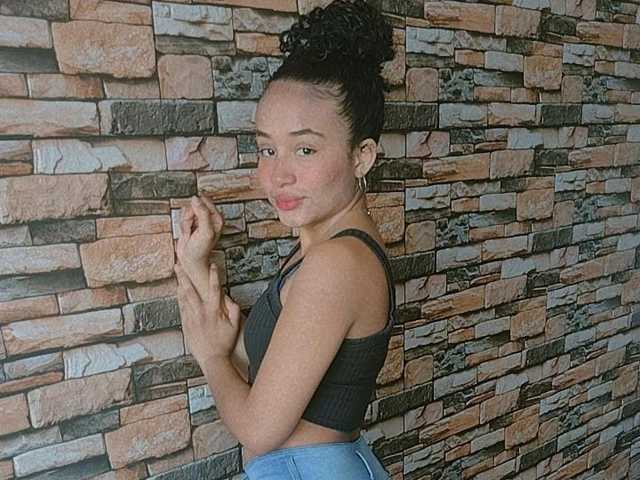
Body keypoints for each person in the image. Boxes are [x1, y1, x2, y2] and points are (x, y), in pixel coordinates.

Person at [173, 1, 396, 478]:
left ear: (362, 155)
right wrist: (196, 267)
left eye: (305, 149)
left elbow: (259, 428)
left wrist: (211, 357)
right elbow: (272, 364)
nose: (278, 175)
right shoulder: (320, 248)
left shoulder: (338, 262)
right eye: (267, 149)